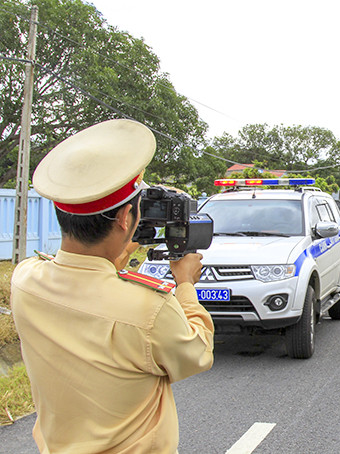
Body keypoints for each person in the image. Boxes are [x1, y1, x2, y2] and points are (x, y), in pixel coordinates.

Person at [11, 119, 215, 453]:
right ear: (125, 219)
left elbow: (85, 281)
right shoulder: (150, 308)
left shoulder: (25, 279)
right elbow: (197, 353)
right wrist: (185, 284)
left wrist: (117, 253)